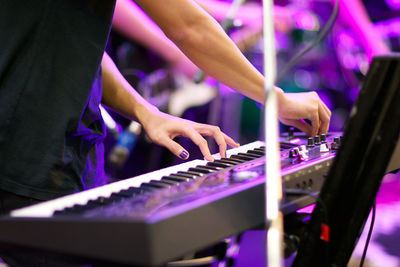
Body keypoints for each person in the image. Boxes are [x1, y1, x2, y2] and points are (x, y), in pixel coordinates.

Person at [0, 0, 330, 265]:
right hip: (29, 154)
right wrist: (278, 99)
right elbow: (188, 27)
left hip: (57, 153)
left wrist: (146, 111)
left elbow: (74, 40)